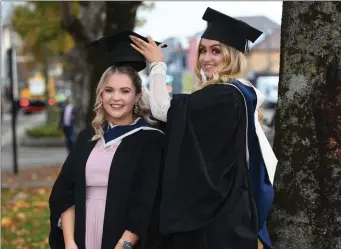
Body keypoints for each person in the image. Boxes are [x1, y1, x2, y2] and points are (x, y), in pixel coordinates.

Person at [131, 7, 278, 249]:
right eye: (202, 50)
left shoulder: (224, 95)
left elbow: (162, 111)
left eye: (216, 51)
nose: (206, 58)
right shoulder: (239, 92)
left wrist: (157, 65)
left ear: (232, 55)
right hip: (229, 209)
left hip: (217, 217)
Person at [49, 30, 167, 249]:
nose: (116, 98)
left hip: (123, 240)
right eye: (109, 90)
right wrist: (70, 243)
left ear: (137, 97)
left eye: (125, 91)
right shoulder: (88, 137)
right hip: (82, 236)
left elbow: (144, 205)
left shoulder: (150, 140)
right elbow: (64, 193)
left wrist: (123, 246)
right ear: (100, 95)